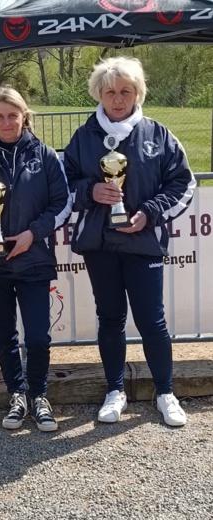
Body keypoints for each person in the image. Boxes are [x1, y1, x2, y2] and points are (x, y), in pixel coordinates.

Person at [64, 56, 196, 427]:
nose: (118, 99)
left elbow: (183, 183)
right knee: (110, 319)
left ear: (138, 93)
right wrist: (90, 191)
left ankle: (166, 392)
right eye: (110, 92)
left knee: (152, 321)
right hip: (99, 245)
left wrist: (149, 213)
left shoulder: (158, 134)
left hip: (143, 244)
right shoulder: (83, 136)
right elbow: (64, 185)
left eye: (126, 91)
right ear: (99, 95)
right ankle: (114, 391)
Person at [0, 86, 72, 432]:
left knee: (38, 335)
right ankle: (17, 394)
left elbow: (62, 203)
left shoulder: (45, 155)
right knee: (5, 334)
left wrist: (32, 234)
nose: (7, 122)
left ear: (25, 116)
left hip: (34, 259)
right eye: (0, 116)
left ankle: (39, 394)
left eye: (13, 115)